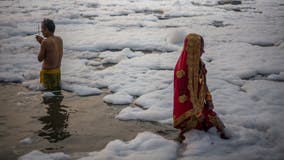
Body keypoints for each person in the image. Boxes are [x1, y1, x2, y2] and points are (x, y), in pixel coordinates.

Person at [173, 33, 229, 142]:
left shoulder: (198, 63)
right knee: (203, 133)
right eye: (201, 48)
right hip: (188, 110)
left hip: (198, 105)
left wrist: (208, 99)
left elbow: (203, 84)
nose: (203, 51)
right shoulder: (183, 70)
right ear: (193, 49)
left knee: (218, 128)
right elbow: (183, 97)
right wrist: (197, 113)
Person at [35, 18, 63, 91]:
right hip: (57, 72)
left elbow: (40, 59)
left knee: (47, 97)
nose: (41, 31)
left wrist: (42, 43)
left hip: (48, 74)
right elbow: (52, 51)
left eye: (42, 29)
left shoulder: (45, 42)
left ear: (46, 29)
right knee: (56, 94)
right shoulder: (59, 39)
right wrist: (42, 41)